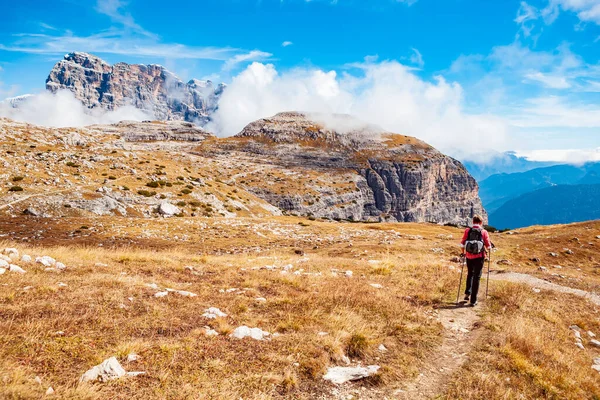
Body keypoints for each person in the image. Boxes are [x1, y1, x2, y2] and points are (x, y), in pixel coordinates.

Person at [460, 215, 491, 307]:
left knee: (470, 274)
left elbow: (462, 244)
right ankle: (473, 300)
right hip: (479, 257)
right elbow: (488, 246)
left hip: (469, 257)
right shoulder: (484, 232)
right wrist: (488, 250)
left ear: (473, 221)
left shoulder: (467, 230)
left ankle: (467, 293)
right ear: (481, 222)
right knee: (477, 277)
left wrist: (464, 253)